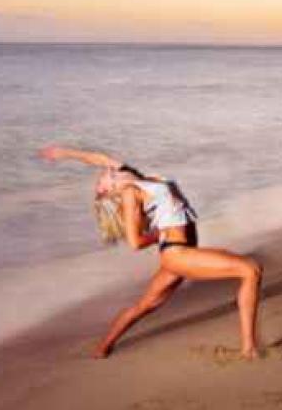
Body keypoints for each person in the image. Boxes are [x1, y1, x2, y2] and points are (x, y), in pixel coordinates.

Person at [38, 145, 263, 359]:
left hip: (180, 254)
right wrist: (158, 234)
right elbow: (135, 243)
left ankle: (103, 347)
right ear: (108, 189)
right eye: (99, 183)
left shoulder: (137, 178)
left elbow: (97, 158)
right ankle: (249, 348)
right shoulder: (129, 193)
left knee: (145, 306)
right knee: (250, 270)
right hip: (177, 254)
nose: (101, 175)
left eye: (101, 177)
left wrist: (64, 153)